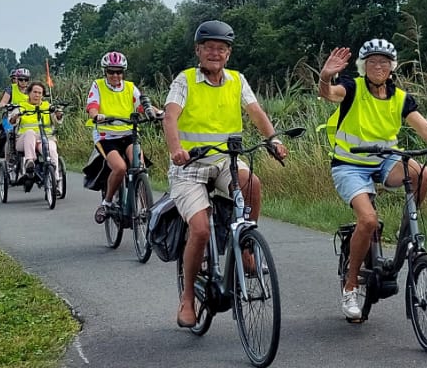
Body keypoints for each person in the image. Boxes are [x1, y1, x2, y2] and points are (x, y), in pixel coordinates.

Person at [317, 38, 427, 321]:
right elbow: (329, 94)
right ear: (364, 66)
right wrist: (325, 77)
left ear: (392, 67)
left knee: (422, 174)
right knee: (368, 221)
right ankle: (350, 287)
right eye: (372, 61)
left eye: (384, 62)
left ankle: (406, 230)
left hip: (385, 161)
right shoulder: (352, 87)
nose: (378, 66)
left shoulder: (400, 98)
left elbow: (425, 128)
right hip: (350, 165)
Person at [164, 20, 286, 329]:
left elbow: (256, 111)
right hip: (189, 166)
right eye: (209, 48)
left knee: (252, 184)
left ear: (228, 54)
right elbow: (170, 116)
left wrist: (272, 139)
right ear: (198, 51)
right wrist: (177, 149)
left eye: (221, 49)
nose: (214, 54)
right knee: (201, 230)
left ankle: (245, 243)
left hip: (225, 161)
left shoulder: (237, 80)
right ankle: (188, 298)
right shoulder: (185, 80)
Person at [86, 51, 161, 224]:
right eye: (111, 71)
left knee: (140, 167)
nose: (115, 75)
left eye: (119, 71)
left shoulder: (129, 87)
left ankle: (142, 207)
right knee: (119, 168)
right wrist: (96, 115)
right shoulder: (98, 85)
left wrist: (159, 113)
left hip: (129, 134)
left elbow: (141, 105)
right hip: (106, 136)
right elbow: (92, 106)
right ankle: (107, 202)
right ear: (105, 71)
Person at [8, 82, 61, 172]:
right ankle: (30, 161)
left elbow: (56, 119)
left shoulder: (47, 106)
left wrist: (58, 115)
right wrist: (16, 116)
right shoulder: (21, 106)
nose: (37, 95)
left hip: (45, 138)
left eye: (40, 93)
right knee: (30, 132)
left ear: (42, 95)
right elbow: (12, 121)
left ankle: (55, 179)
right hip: (24, 140)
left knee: (52, 151)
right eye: (35, 92)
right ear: (29, 93)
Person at [0, 67, 33, 168]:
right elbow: (3, 102)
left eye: (26, 80)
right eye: (21, 79)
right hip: (10, 116)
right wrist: (4, 105)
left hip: (27, 116)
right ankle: (10, 154)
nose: (23, 82)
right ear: (17, 79)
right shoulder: (10, 89)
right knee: (9, 132)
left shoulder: (31, 90)